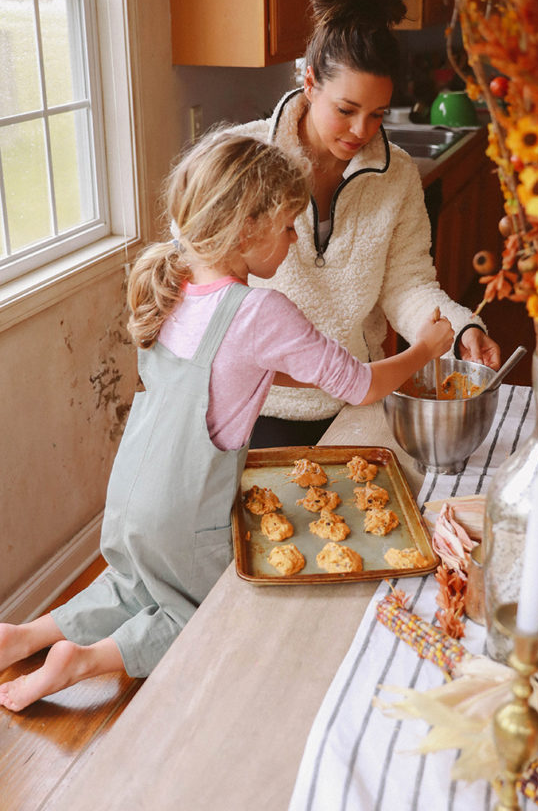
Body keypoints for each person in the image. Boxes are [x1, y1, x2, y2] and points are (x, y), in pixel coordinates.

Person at [0, 133, 452, 712]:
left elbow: (235, 370)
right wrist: (425, 348)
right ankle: (86, 660)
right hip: (187, 512)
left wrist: (307, 369)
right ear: (248, 230)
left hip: (133, 493)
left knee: (132, 582)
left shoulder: (173, 284)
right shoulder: (261, 311)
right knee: (198, 613)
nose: (293, 240)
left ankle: (29, 635)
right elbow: (362, 386)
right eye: (289, 226)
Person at [224, 0, 501, 447]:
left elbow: (408, 285)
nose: (360, 131)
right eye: (346, 110)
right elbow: (204, 288)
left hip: (361, 398)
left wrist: (460, 329)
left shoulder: (396, 176)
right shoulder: (243, 162)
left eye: (377, 115)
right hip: (260, 404)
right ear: (309, 83)